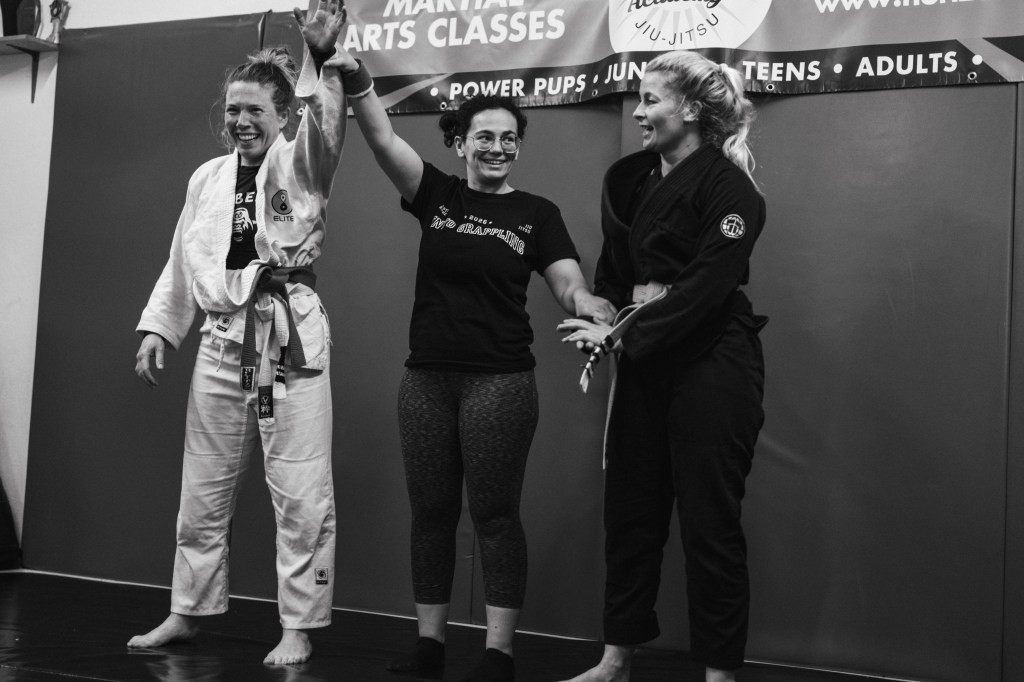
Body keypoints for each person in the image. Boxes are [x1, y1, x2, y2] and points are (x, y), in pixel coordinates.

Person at [329, 50, 615, 682]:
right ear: (460, 142)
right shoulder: (436, 194)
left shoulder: (536, 214)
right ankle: (429, 645)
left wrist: (590, 304)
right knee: (431, 515)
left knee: (495, 515)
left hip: (500, 383)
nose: (497, 148)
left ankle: (498, 653)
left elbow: (567, 283)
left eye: (509, 138)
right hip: (426, 380)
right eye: (485, 136)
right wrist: (357, 81)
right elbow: (382, 139)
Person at [128, 0, 356, 665]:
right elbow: (183, 259)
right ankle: (187, 610)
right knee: (202, 486)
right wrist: (160, 329)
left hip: (288, 334)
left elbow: (326, 126)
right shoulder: (207, 177)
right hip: (222, 336)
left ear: (283, 116)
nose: (241, 121)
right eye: (233, 110)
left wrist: (319, 56)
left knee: (301, 487)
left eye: (255, 110)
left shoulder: (303, 161)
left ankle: (299, 625)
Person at [556, 51, 768, 682]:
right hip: (644, 361)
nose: (638, 112)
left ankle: (720, 672)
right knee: (631, 513)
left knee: (709, 522)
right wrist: (602, 316)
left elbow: (707, 286)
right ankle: (616, 658)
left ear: (692, 110)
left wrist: (626, 334)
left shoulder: (731, 189)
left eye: (651, 100)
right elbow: (614, 270)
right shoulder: (631, 180)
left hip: (713, 360)